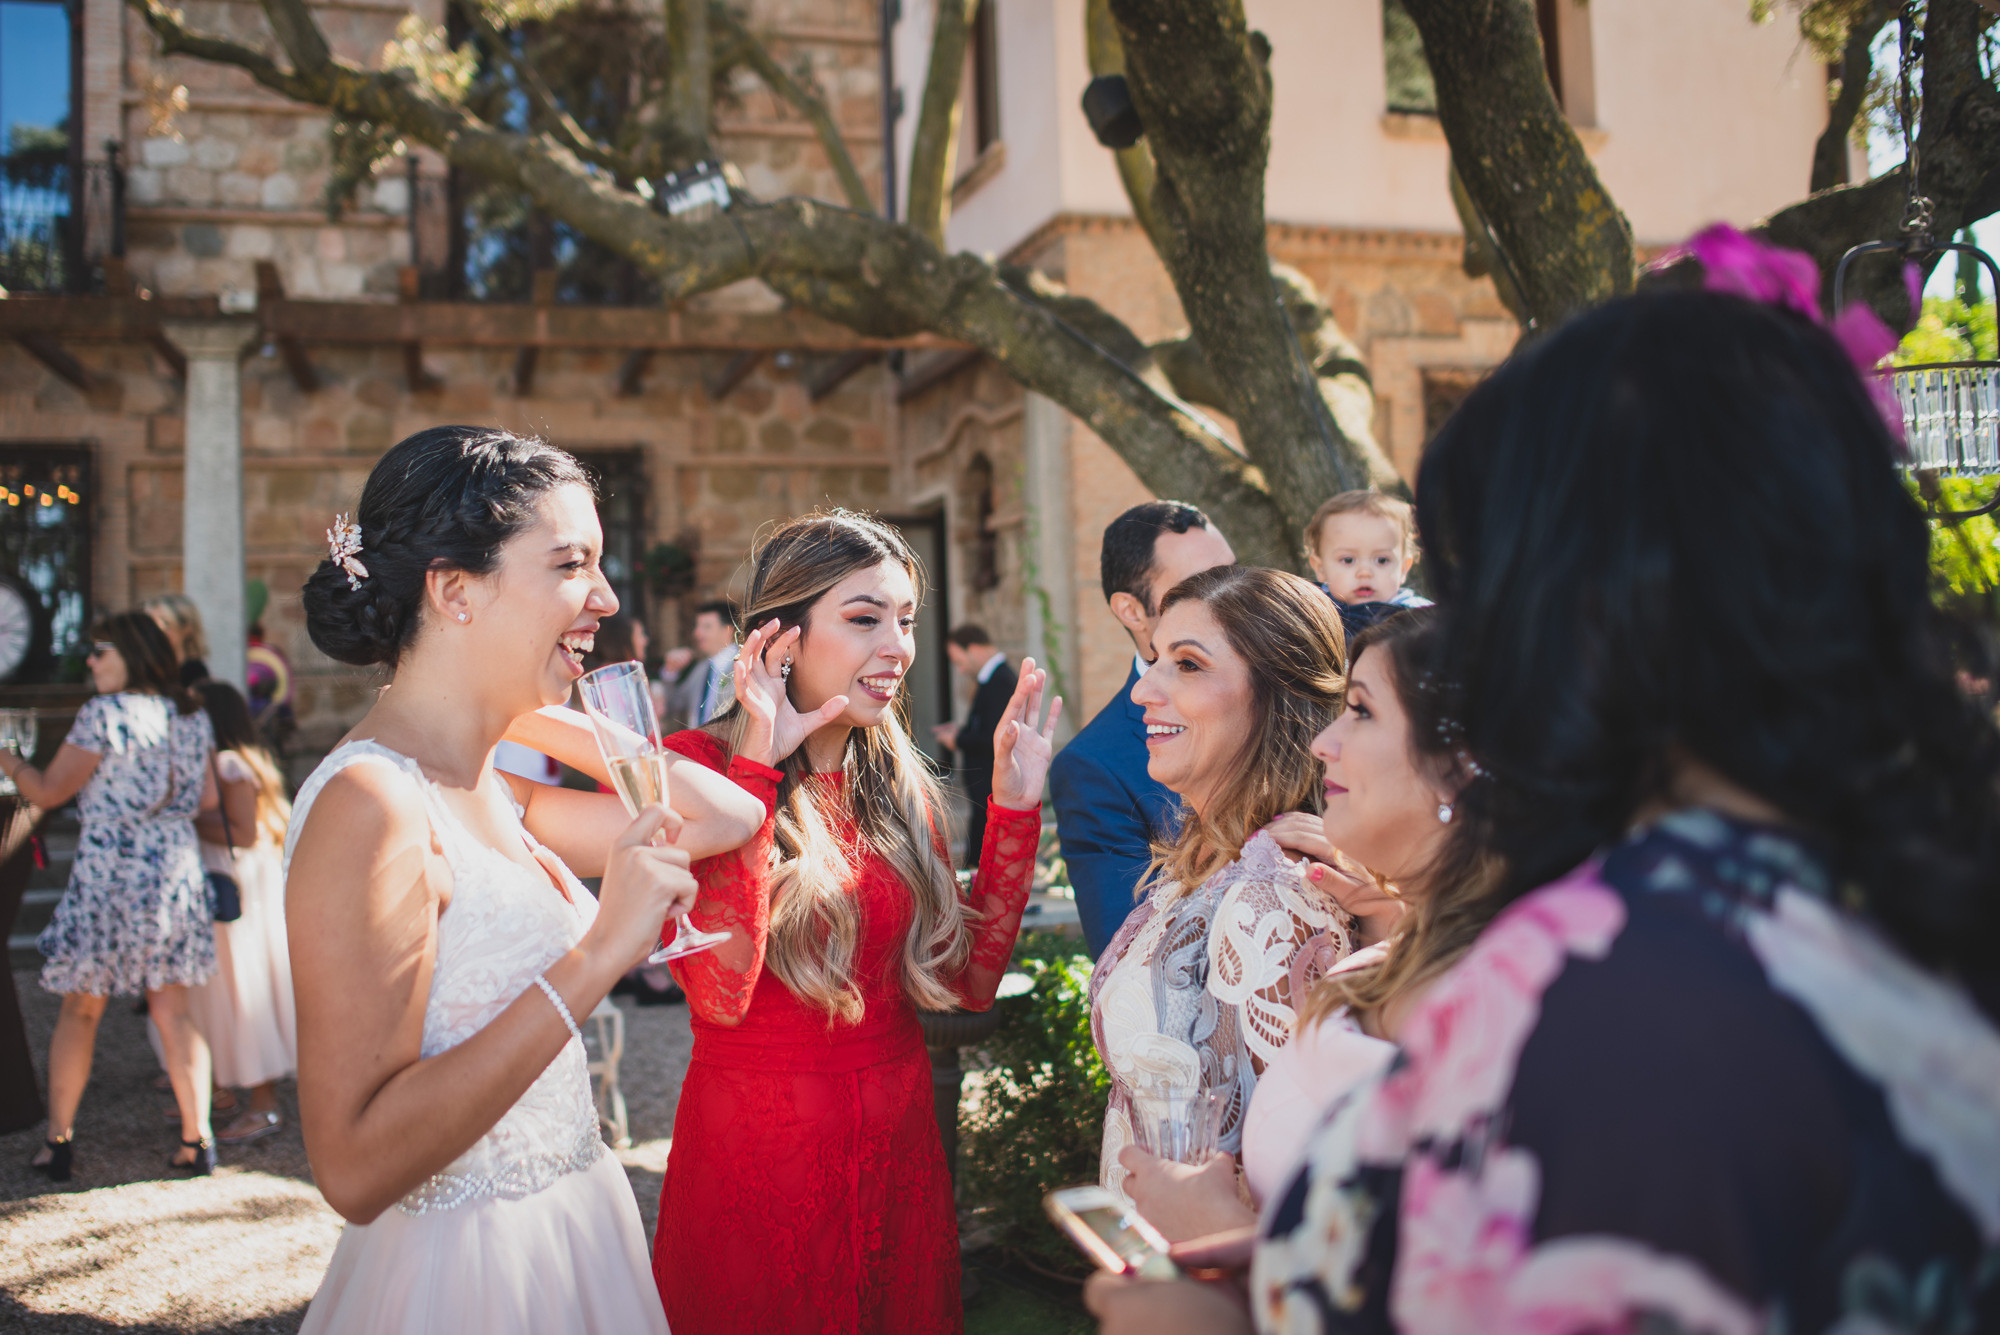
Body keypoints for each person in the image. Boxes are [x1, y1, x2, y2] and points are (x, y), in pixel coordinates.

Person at [1093, 280, 2000, 1335]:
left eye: (1481, 581)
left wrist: (1229, 1316)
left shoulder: (1605, 967)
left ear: (1587, 602)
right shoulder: (1891, 890)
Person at [284, 425, 767, 1333]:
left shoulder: (485, 784)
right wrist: (598, 954)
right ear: (454, 589)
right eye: (571, 565)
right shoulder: (371, 806)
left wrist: (510, 706)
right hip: (466, 1277)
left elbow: (718, 815)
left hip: (576, 1231)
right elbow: (352, 1168)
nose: (606, 596)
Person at [651, 510, 1062, 1334]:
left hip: (898, 1154)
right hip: (761, 1160)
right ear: (782, 640)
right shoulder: (693, 769)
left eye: (906, 620)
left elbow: (963, 985)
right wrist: (757, 766)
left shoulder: (902, 787)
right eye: (866, 617)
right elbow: (722, 989)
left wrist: (1014, 807)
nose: (899, 647)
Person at [1113, 610, 1452, 1243]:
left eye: (1364, 712)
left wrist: (1215, 1241)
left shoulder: (1275, 895)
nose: (1327, 740)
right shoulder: (1211, 865)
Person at [1088, 565, 1357, 1207]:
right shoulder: (1208, 864)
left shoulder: (1274, 896)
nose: (1143, 690)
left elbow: (1284, 1171)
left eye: (1187, 665)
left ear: (1273, 696)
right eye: (1155, 659)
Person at [3, 611, 218, 1180]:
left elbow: (48, 790)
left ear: (134, 654)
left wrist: (6, 757)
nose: (91, 662)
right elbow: (207, 801)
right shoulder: (192, 715)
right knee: (174, 1012)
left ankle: (58, 1143)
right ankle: (198, 1140)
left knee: (80, 1009)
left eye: (102, 651)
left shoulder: (104, 715)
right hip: (173, 873)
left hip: (111, 875)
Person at [1052, 501, 1235, 956]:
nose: (1231, 597)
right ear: (1132, 611)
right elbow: (1129, 960)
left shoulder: (1304, 703)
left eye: (1233, 573)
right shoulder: (1095, 767)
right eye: (1199, 586)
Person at [188, 678, 298, 1146]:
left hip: (238, 884)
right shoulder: (228, 761)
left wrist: (182, 816)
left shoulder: (231, 764)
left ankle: (263, 1104)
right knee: (219, 993)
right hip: (237, 880)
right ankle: (219, 1089)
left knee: (243, 990)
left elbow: (244, 831)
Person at [931, 624, 1018, 867]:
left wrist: (956, 740)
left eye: (960, 660)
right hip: (984, 786)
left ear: (975, 649)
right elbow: (986, 725)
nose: (960, 669)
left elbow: (995, 737)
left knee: (986, 850)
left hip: (990, 783)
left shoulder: (1000, 681)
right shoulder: (994, 679)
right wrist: (961, 731)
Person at [1302, 490, 1430, 643]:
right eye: (1348, 560)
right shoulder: (1311, 616)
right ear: (1320, 568)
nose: (1365, 572)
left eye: (1382, 560)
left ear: (1403, 568)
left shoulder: (1421, 618)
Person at [665, 599, 740, 729]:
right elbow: (673, 705)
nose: (697, 633)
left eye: (706, 627)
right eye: (697, 626)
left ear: (728, 630)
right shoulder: (700, 669)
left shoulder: (743, 666)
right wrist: (670, 672)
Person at [142, 592, 212, 687]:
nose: (157, 631)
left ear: (187, 628)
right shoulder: (144, 667)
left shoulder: (195, 672)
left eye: (166, 624)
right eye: (151, 625)